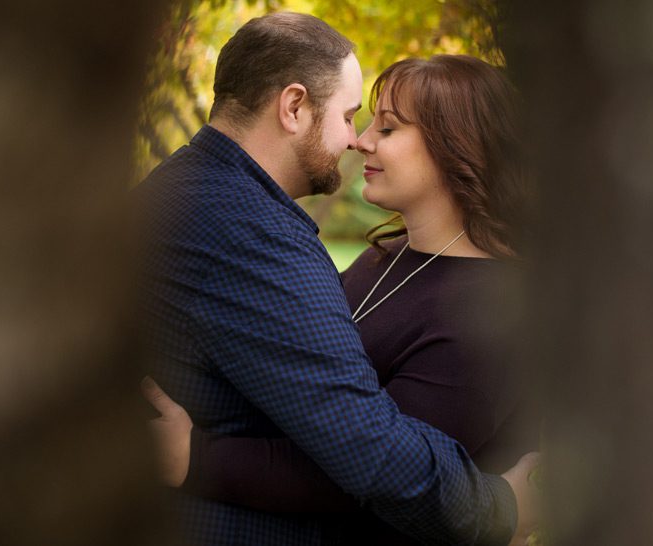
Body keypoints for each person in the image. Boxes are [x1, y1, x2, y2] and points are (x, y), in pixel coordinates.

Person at [135, 12, 537, 546]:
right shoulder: (358, 255)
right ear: (293, 106)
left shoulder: (493, 310)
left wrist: (199, 458)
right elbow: (352, 440)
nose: (359, 141)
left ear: (457, 145)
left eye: (385, 127)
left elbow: (366, 461)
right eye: (356, 118)